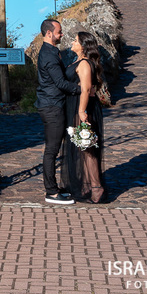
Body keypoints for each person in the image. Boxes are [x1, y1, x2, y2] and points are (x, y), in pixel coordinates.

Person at [36, 18, 81, 205]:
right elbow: (61, 83)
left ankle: (54, 188)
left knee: (53, 149)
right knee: (52, 150)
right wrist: (84, 90)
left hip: (52, 104)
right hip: (52, 106)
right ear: (49, 33)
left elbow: (61, 77)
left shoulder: (52, 52)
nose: (61, 34)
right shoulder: (48, 55)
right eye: (59, 32)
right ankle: (51, 192)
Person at [63, 31, 106, 203]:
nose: (72, 42)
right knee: (82, 147)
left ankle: (96, 187)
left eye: (75, 40)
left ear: (83, 45)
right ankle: (88, 184)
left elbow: (86, 89)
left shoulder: (85, 64)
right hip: (75, 106)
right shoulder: (78, 62)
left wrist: (81, 111)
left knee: (88, 148)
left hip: (83, 107)